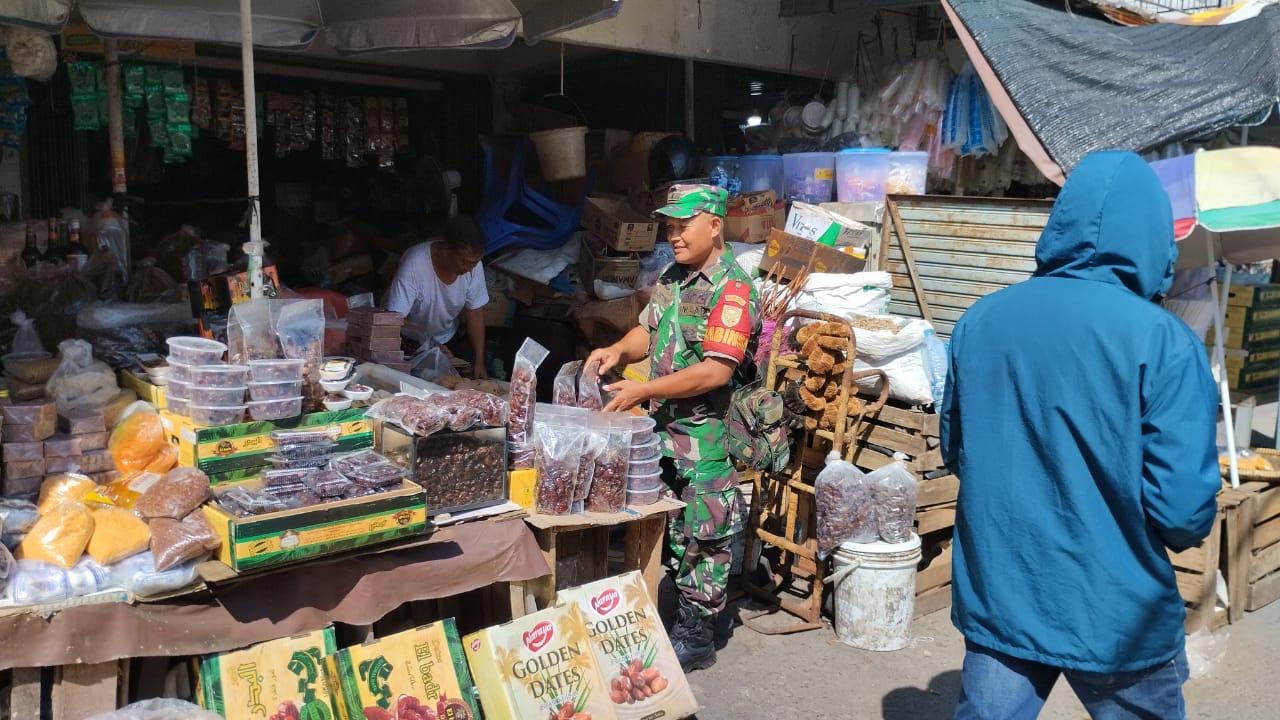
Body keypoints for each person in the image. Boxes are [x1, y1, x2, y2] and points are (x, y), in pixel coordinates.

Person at [940, 151, 1219, 720]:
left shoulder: (980, 320)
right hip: (1116, 611)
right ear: (1152, 236)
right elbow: (1183, 512)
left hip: (1003, 591)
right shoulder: (1165, 342)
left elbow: (957, 450)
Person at [587, 184, 757, 672]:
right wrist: (619, 350)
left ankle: (698, 635)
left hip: (709, 436)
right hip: (667, 431)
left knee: (704, 533)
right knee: (676, 528)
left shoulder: (733, 289)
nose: (674, 235)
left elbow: (715, 371)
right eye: (670, 226)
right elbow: (650, 327)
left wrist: (642, 391)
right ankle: (671, 612)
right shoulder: (675, 277)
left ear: (715, 225)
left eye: (684, 225)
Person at [384, 215, 490, 379]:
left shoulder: (474, 266)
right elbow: (393, 319)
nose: (470, 269)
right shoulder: (414, 265)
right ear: (446, 250)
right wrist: (430, 343)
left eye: (474, 263)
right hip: (410, 342)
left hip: (447, 339)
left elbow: (475, 312)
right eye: (465, 262)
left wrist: (479, 361)